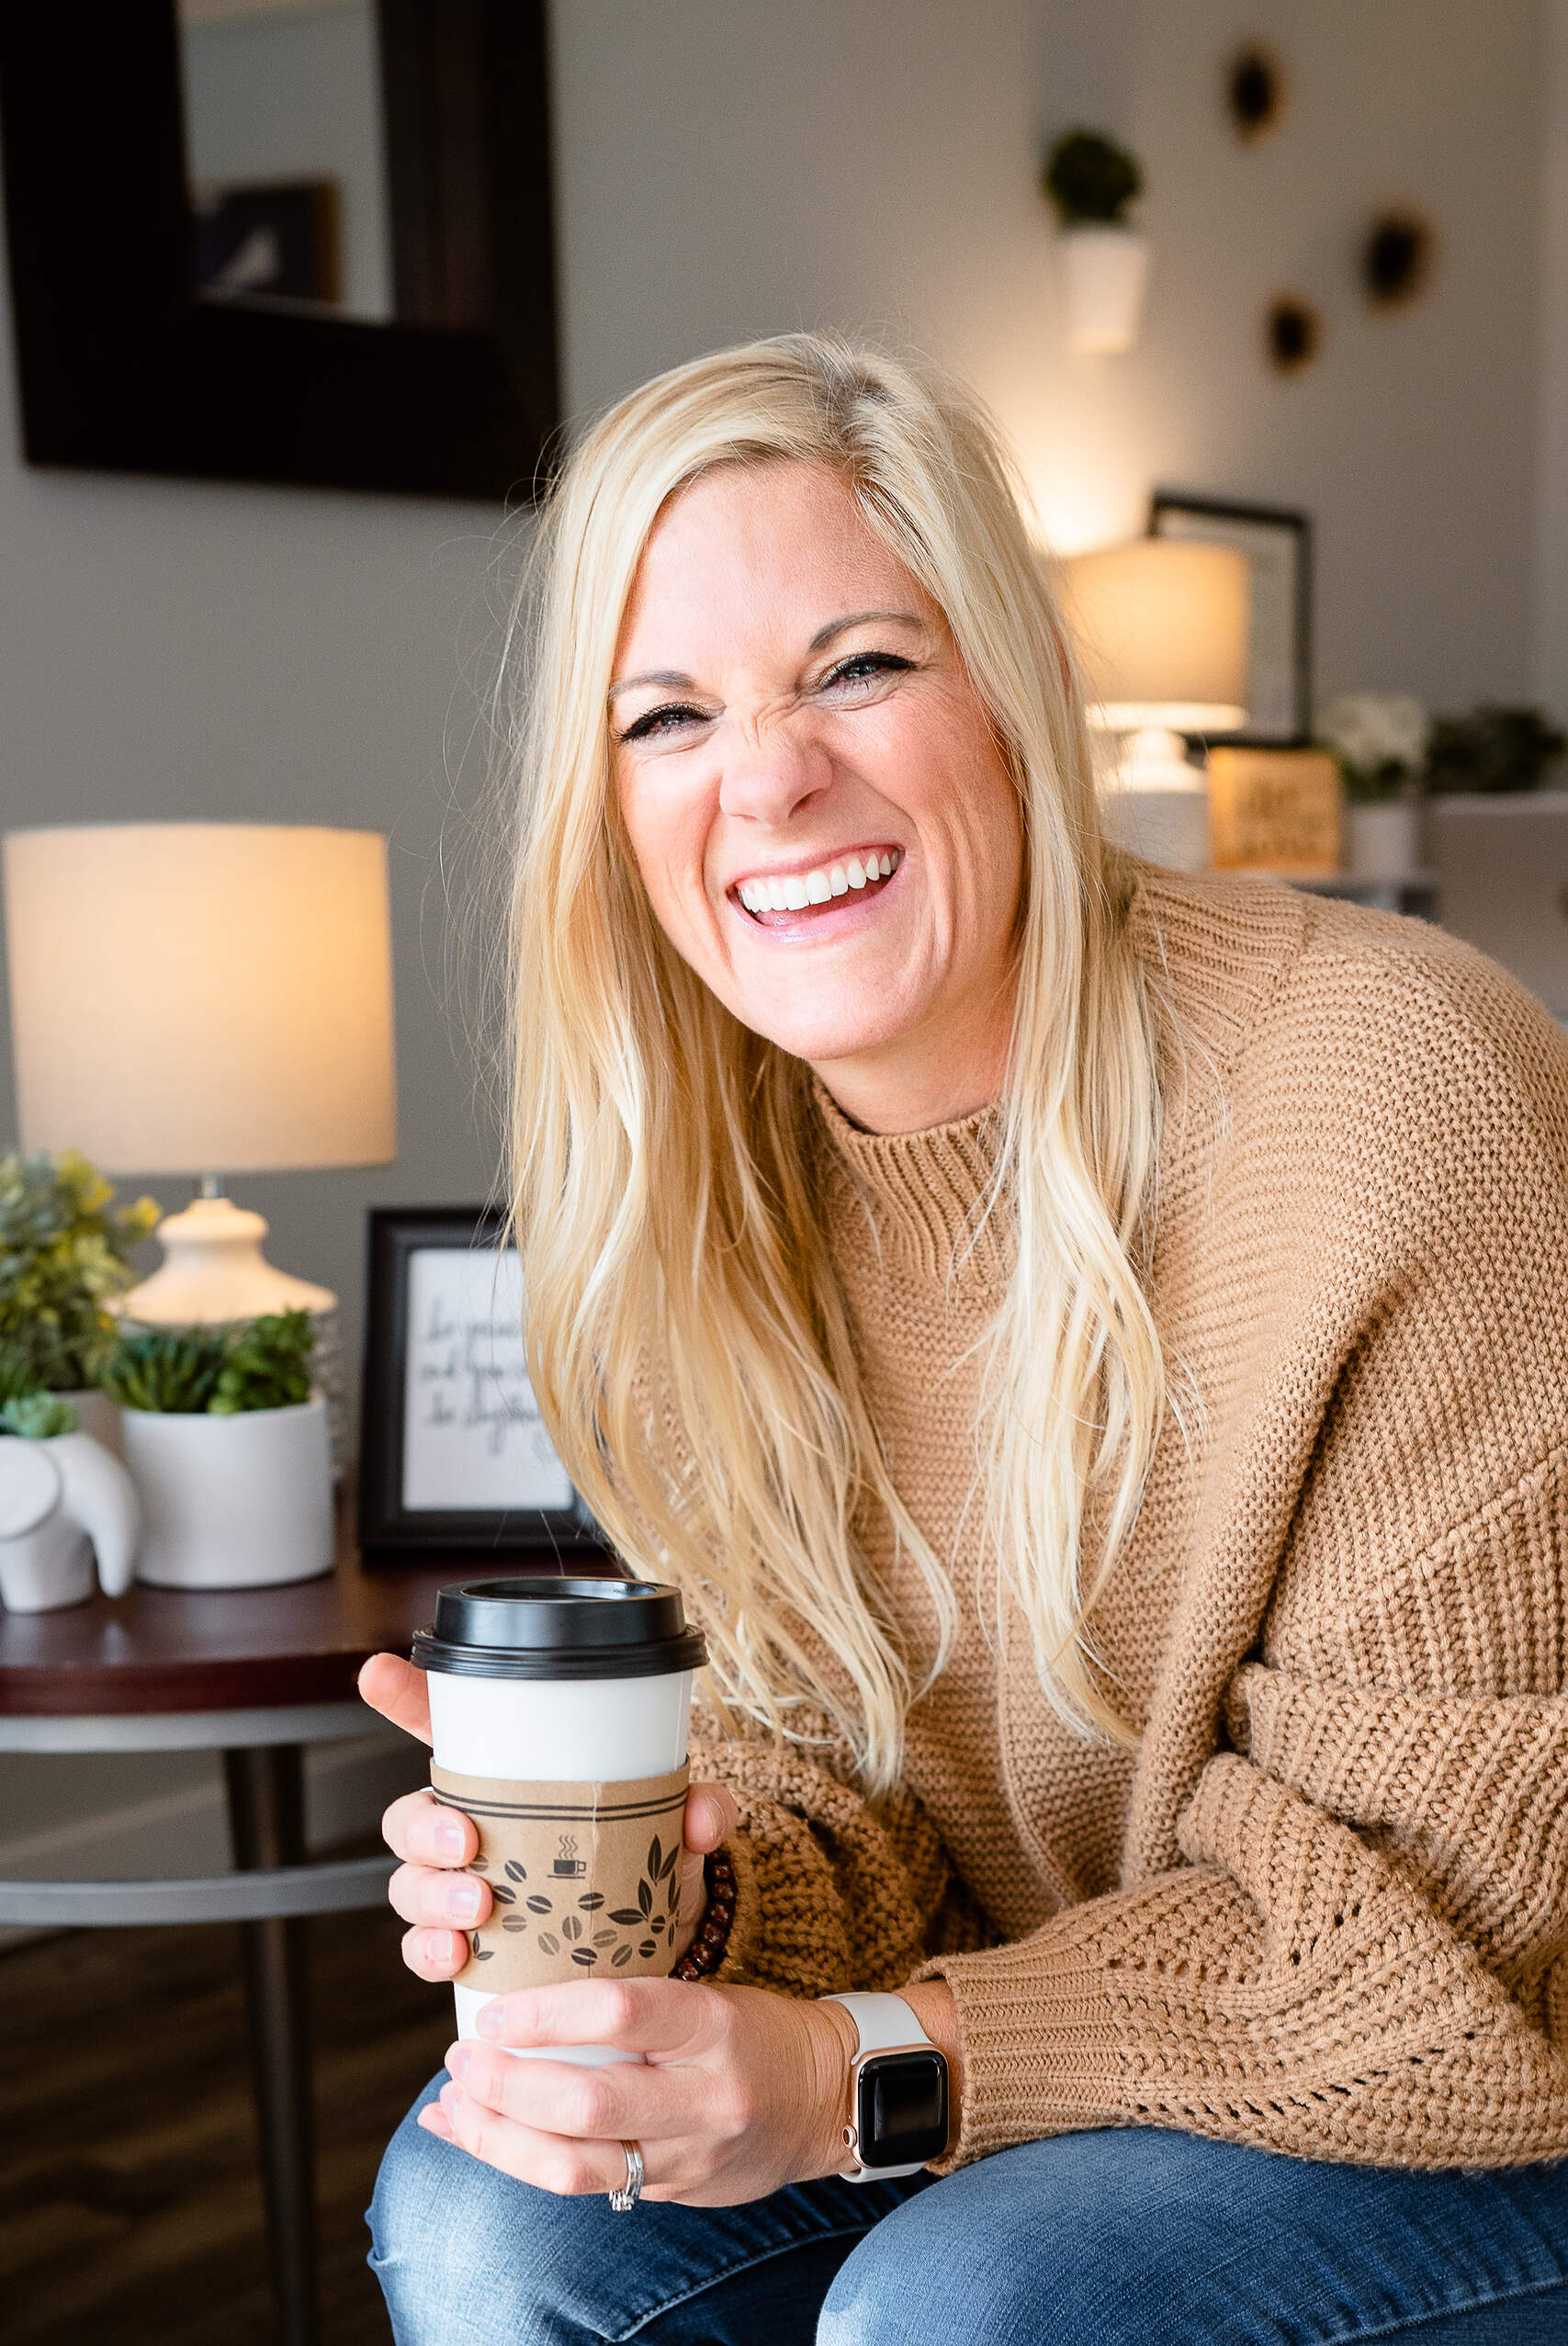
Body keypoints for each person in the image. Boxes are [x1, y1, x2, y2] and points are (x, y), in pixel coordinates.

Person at [362, 335, 1568, 2343]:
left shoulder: (1388, 1093)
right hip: (1065, 2041)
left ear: (1006, 686)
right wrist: (688, 1882)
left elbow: (1461, 1925)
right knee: (485, 2206)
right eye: (666, 711)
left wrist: (860, 2070)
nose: (765, 776)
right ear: (610, 804)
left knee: (965, 2300)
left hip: (1488, 2064)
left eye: (855, 665)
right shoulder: (689, 1209)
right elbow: (842, 1797)